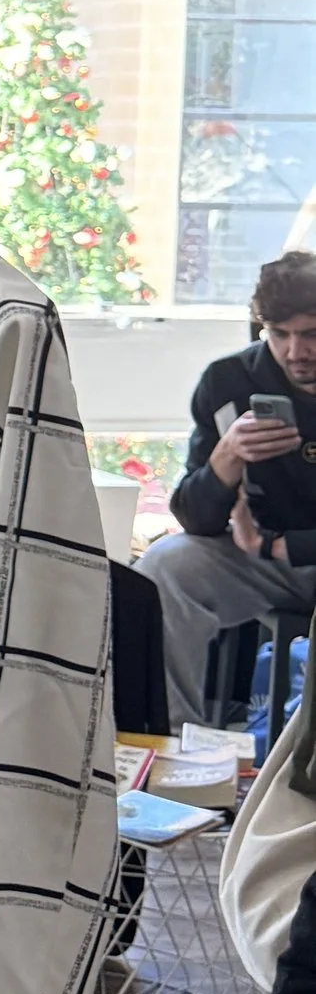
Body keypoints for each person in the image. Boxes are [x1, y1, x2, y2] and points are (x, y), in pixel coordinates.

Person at [141, 251, 316, 724]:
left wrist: (281, 546)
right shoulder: (229, 381)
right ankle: (172, 745)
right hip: (257, 560)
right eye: (280, 335)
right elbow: (195, 520)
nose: (296, 353)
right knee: (164, 567)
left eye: (311, 335)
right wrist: (225, 460)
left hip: (283, 549)